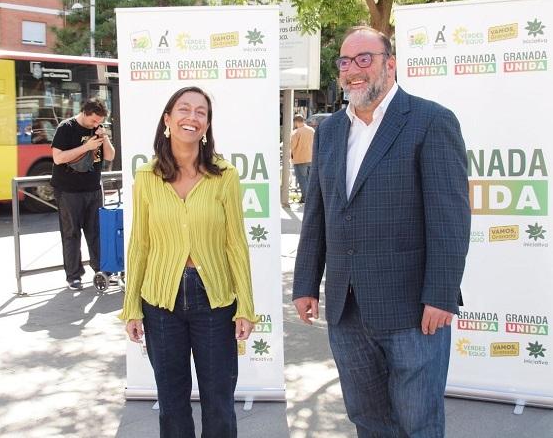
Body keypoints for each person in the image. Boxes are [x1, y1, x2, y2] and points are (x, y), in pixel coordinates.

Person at [292, 26, 470, 437]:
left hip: (412, 311)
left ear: (390, 64)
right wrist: (305, 284)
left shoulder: (431, 121)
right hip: (347, 311)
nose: (352, 70)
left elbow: (450, 219)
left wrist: (441, 294)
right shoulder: (331, 131)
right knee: (368, 421)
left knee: (418, 423)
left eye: (364, 59)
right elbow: (319, 214)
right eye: (344, 62)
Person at [120, 86, 256, 438]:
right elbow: (140, 245)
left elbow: (236, 244)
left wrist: (246, 307)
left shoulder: (224, 176)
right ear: (167, 119)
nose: (192, 117)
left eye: (201, 112)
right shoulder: (146, 177)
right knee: (172, 401)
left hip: (214, 299)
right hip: (160, 300)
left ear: (208, 125)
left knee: (219, 399)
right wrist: (131, 306)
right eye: (184, 109)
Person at [51, 98, 115, 291]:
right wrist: (86, 147)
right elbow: (58, 157)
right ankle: (74, 276)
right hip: (68, 190)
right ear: (85, 113)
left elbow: (110, 156)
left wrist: (104, 138)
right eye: (93, 120)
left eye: (99, 121)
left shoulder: (97, 129)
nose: (96, 124)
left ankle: (101, 271)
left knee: (96, 232)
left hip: (93, 188)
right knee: (71, 233)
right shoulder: (66, 128)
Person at [290, 114, 314, 202]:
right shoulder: (312, 130)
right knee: (309, 180)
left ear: (296, 122)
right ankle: (311, 199)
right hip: (310, 158)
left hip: (299, 159)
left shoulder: (296, 132)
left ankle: (305, 198)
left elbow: (292, 146)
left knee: (302, 180)